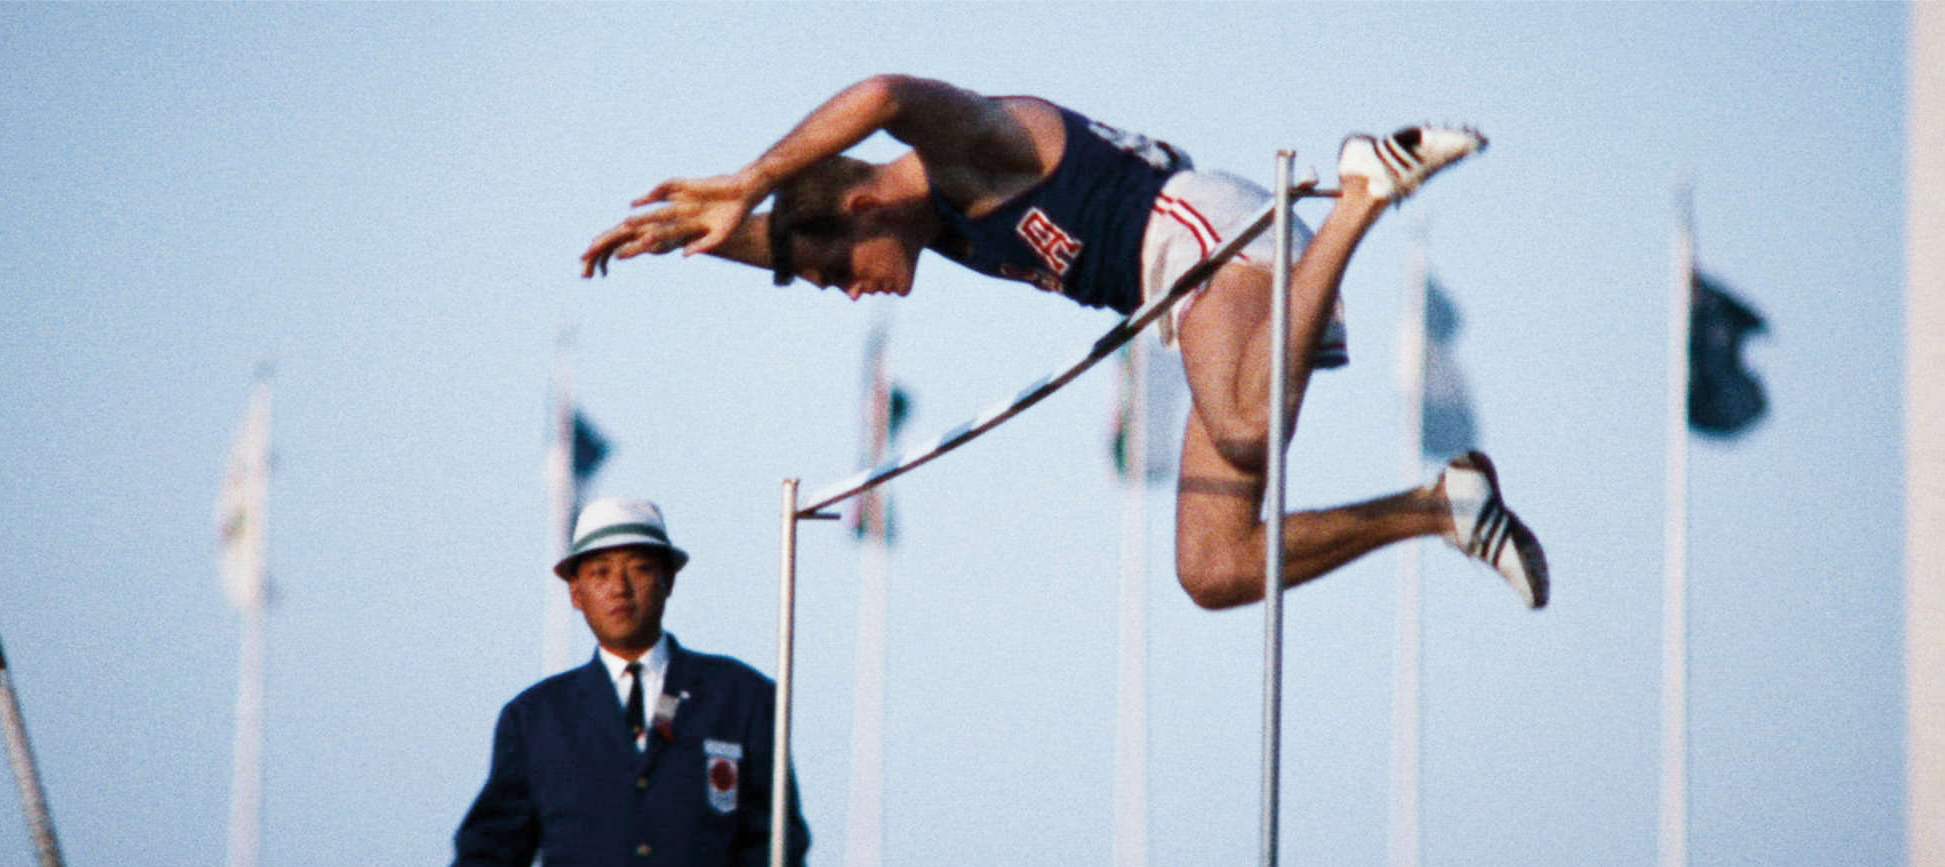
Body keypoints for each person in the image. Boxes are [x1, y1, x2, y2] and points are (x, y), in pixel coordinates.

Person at [580, 74, 1547, 611]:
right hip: (1177, 286)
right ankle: (1440, 508)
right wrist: (692, 237)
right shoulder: (918, 221)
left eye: (842, 274)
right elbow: (801, 236)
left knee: (1245, 429)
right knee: (1213, 569)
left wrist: (748, 178)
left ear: (866, 206)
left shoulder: (972, 150)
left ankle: (1363, 191)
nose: (851, 295)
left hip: (1199, 229)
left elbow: (881, 91)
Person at [446, 497, 810, 867]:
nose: (619, 587)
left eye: (639, 568)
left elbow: (779, 834)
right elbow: (492, 841)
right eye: (600, 572)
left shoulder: (741, 698)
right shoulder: (535, 717)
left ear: (669, 580)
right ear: (576, 592)